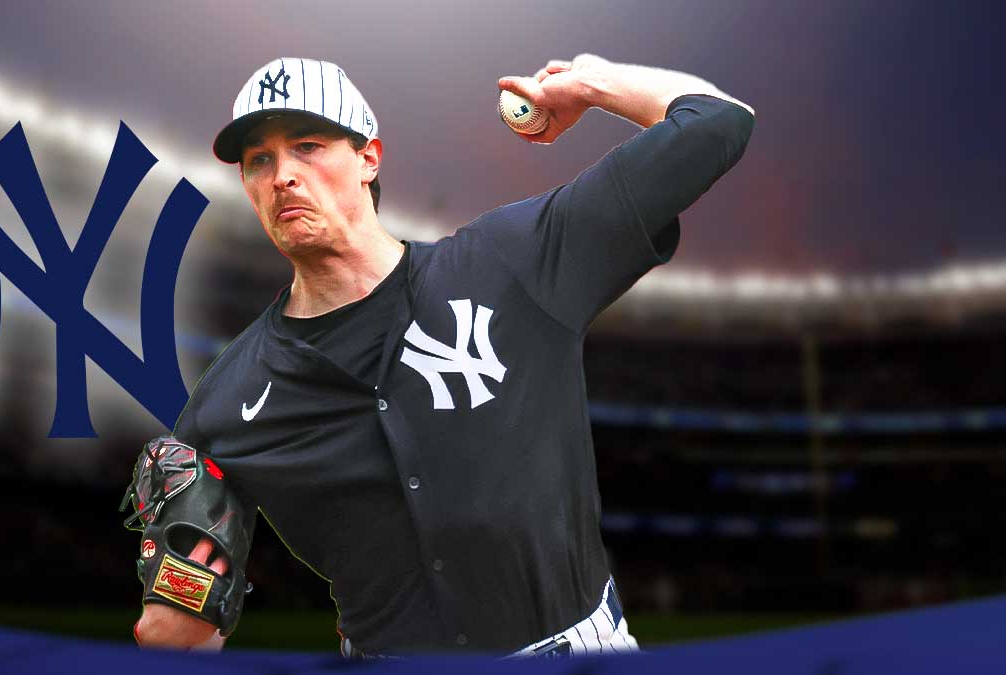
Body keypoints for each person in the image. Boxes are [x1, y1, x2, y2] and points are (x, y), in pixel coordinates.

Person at [130, 55, 754, 657]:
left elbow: (719, 123)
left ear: (369, 157)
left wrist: (594, 84)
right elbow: (188, 631)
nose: (282, 175)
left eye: (308, 146)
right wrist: (177, 618)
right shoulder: (224, 403)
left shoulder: (510, 264)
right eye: (258, 160)